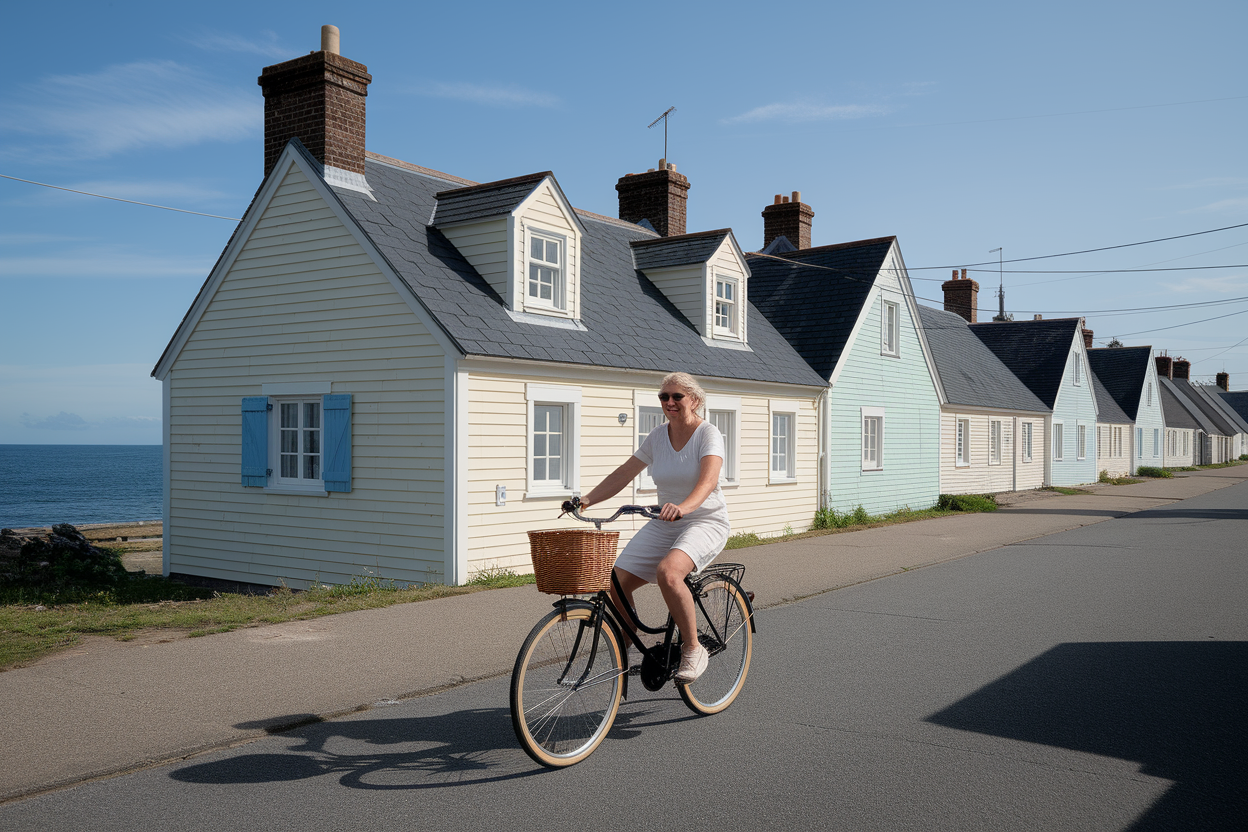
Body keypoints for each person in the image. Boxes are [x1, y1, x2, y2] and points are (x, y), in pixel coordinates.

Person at [577, 372, 730, 683]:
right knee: (613, 583)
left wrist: (685, 506)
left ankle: (692, 648)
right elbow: (625, 472)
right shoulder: (658, 436)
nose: (669, 402)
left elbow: (708, 481)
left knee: (669, 573)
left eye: (677, 396)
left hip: (704, 520)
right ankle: (628, 633)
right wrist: (586, 500)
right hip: (665, 521)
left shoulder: (707, 434)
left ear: (695, 401)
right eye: (664, 397)